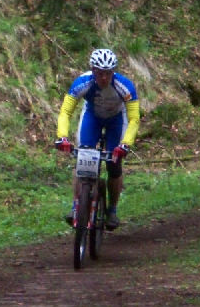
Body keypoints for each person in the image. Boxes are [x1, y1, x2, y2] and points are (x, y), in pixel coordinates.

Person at [54, 48, 140, 229]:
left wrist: (125, 144)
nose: (103, 78)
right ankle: (77, 206)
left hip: (116, 120)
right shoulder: (82, 83)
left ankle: (112, 210)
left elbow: (134, 119)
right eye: (99, 73)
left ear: (113, 72)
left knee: (113, 165)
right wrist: (62, 137)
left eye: (108, 74)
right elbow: (65, 111)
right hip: (92, 118)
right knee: (82, 160)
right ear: (93, 71)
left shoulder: (125, 86)